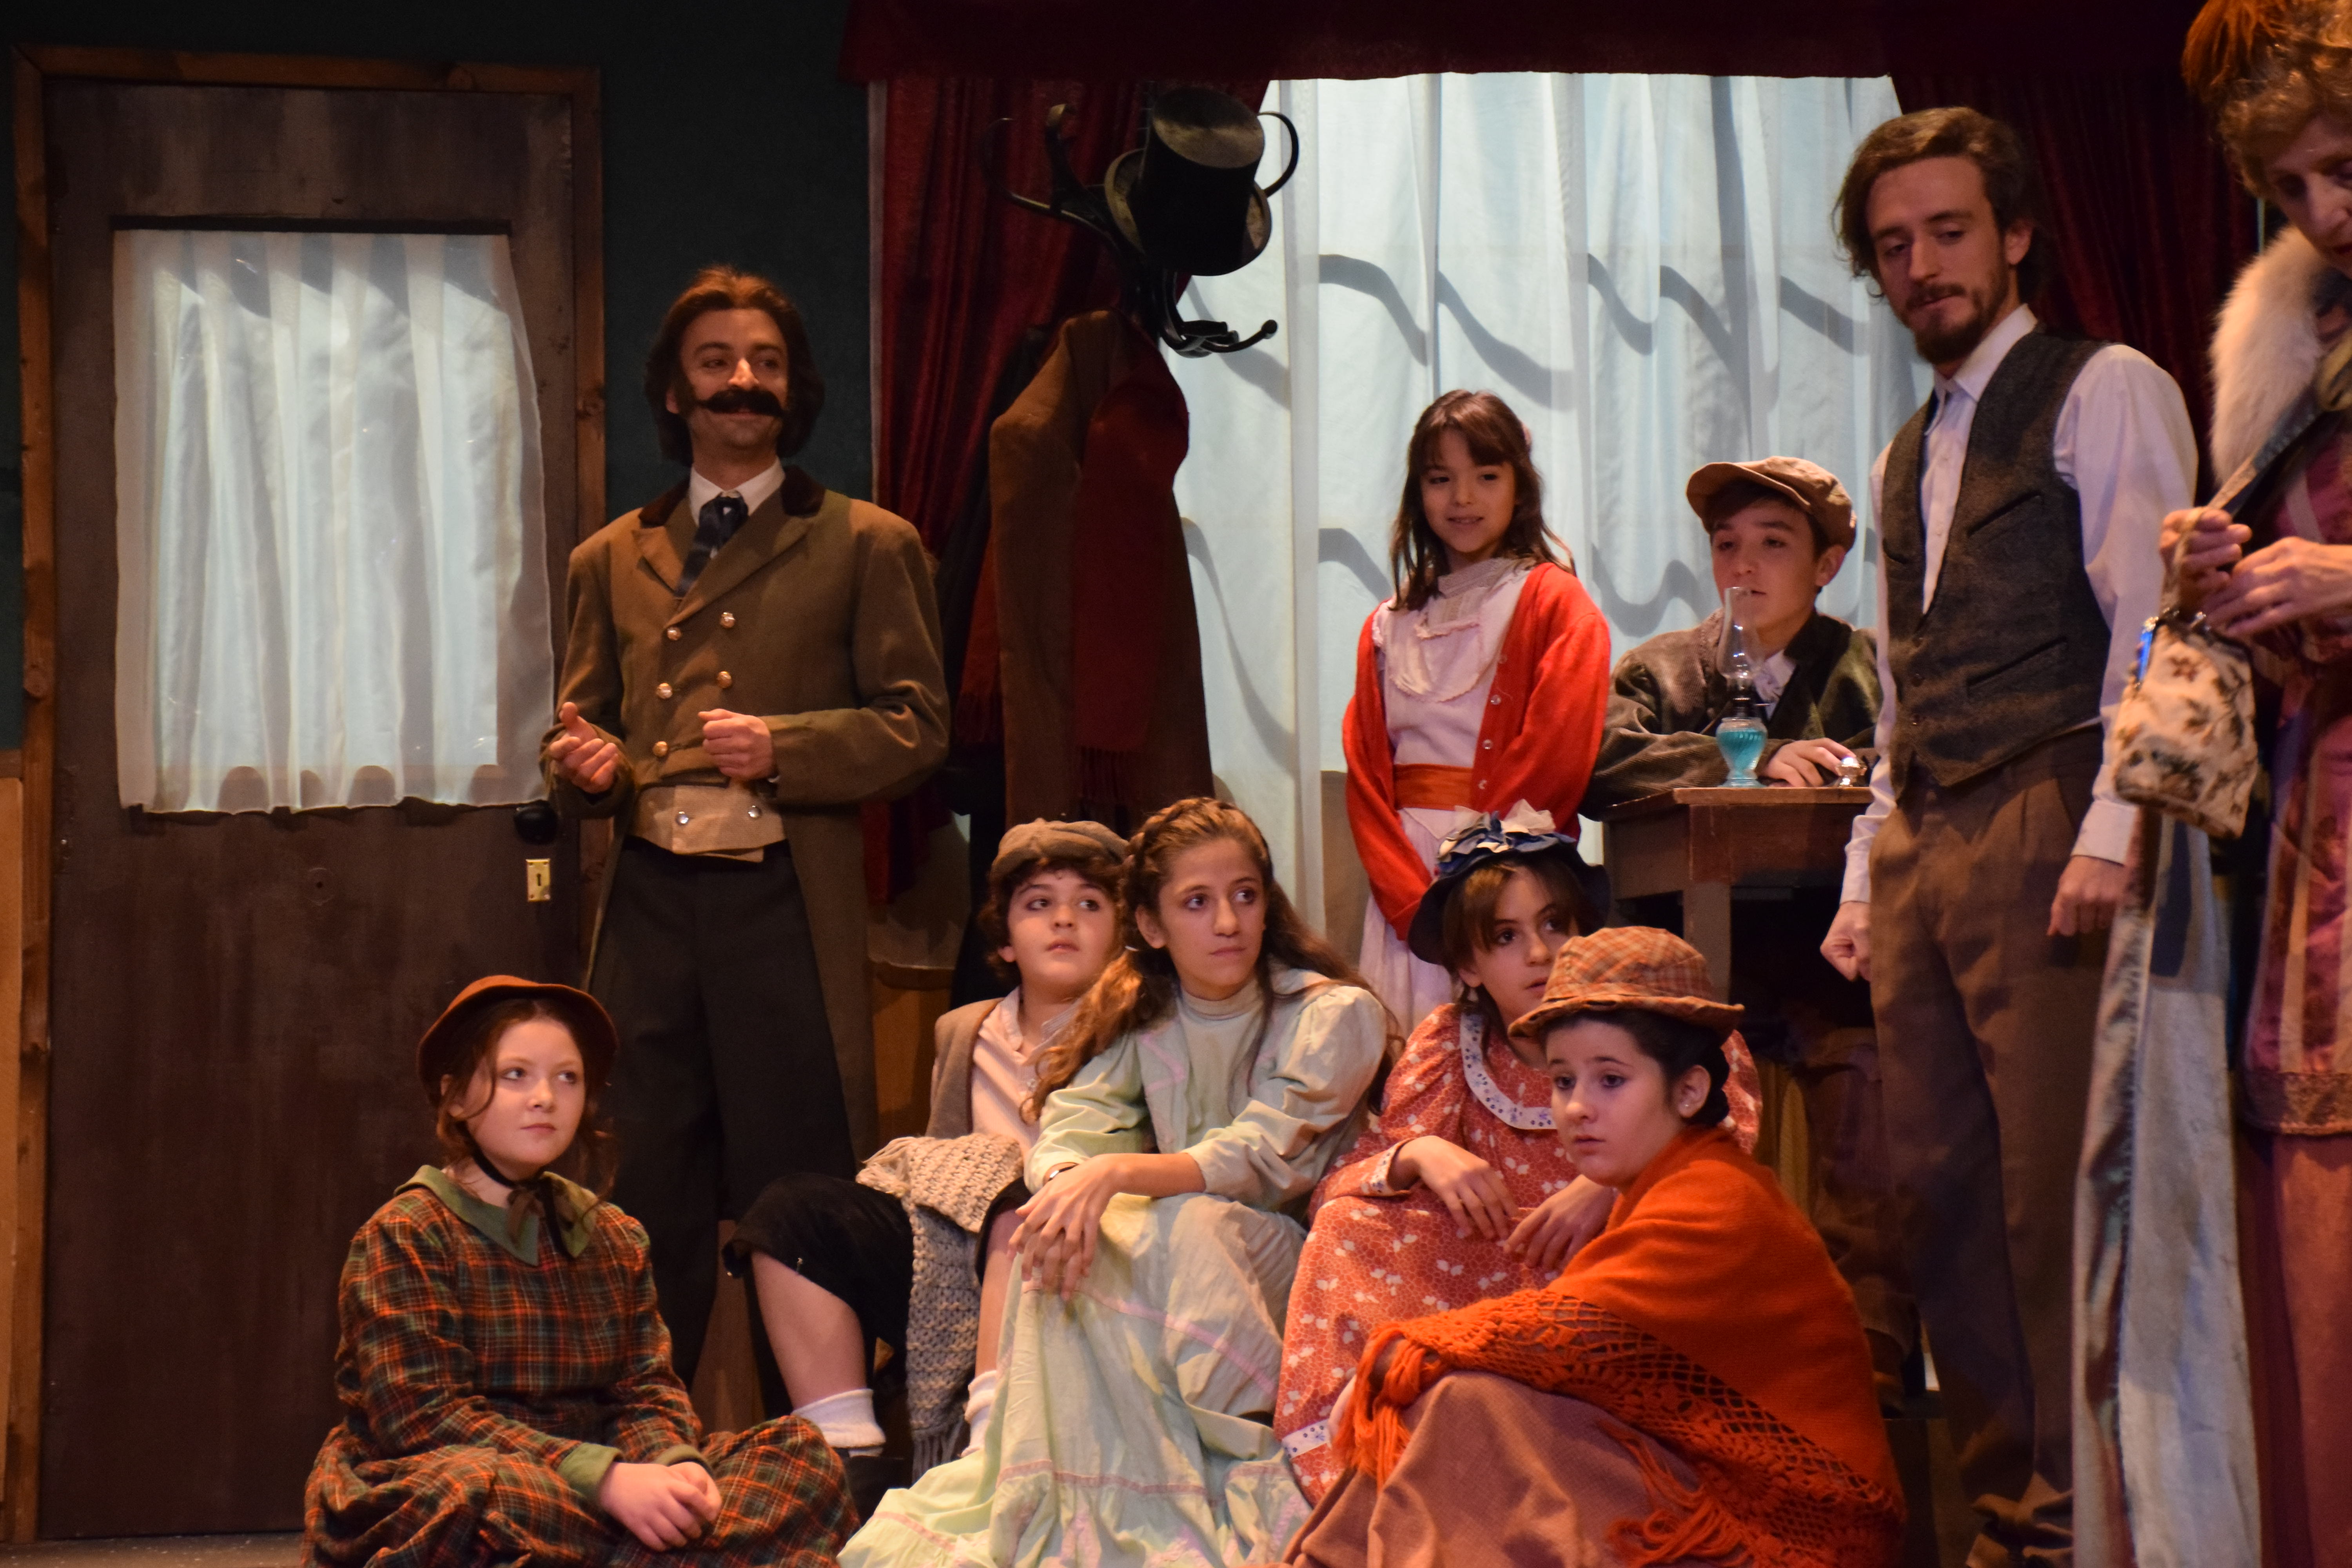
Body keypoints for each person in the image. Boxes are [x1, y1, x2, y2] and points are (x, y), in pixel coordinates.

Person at [1818, 109, 2195, 1563]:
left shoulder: (2105, 387)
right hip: (1930, 831)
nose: (1923, 266)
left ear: (2018, 233)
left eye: (1950, 231)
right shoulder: (1909, 446)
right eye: (1894, 246)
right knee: (1942, 1195)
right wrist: (1870, 869)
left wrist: (2113, 826)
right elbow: (1904, 683)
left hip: (2051, 807)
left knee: (2053, 1192)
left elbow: (2158, 624)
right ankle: (2009, 1516)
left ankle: (2090, 1515)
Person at [544, 267, 950, 1382]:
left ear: (794, 389)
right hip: (650, 911)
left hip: (782, 907)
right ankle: (642, 1436)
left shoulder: (867, 543)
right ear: (676, 391)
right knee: (638, 1187)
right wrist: (587, 767)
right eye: (717, 361)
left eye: (767, 364)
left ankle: (817, 1451)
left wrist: (787, 747)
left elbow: (919, 726)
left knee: (797, 1193)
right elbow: (583, 728)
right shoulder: (607, 558)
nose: (744, 381)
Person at [841, 798, 1390, 1567]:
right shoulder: (1148, 1019)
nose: (1227, 921)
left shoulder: (1330, 1012)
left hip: (1302, 1253)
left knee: (1187, 1224)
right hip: (1185, 1238)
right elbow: (1073, 1124)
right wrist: (1069, 1185)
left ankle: (1204, 1490)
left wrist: (1118, 1170)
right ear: (1154, 927)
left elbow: (1264, 1158)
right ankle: (1075, 1491)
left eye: (1244, 894)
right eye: (1197, 902)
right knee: (1064, 1224)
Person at [1287, 929, 1902, 1568]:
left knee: (1468, 1407)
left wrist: (1398, 1358)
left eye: (1611, 1079)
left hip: (1797, 1526)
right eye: (1562, 1080)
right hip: (1713, 1480)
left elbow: (1563, 1329)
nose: (1577, 1107)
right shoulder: (1665, 1180)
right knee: (1471, 1407)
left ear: (1689, 1091)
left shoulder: (1718, 1198)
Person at [1275, 806, 1763, 1501]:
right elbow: (1339, 1187)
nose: (1539, 953)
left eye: (1555, 925)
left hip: (1618, 1261)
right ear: (1468, 966)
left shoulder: (1641, 1020)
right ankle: (1370, 1472)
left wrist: (1612, 1188)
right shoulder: (1453, 1043)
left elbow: (1725, 1138)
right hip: (1499, 1262)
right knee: (1348, 1226)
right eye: (1506, 937)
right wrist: (1421, 1152)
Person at [302, 978, 853, 1568]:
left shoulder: (612, 1234)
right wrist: (604, 1481)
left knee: (802, 1457)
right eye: (516, 1075)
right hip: (470, 1474)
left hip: (596, 1487)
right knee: (471, 1496)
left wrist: (673, 1467)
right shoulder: (407, 1233)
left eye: (568, 1078)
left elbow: (645, 1391)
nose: (545, 1097)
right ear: (455, 1096)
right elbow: (423, 1419)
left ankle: (640, 1545)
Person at [1583, 457, 1915, 1405]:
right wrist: (1755, 757)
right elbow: (1601, 761)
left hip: (1824, 956)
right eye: (1727, 544)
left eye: (1774, 543)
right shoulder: (1659, 669)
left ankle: (1866, 1348)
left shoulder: (1867, 669)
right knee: (1670, 1083)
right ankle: (1683, 1337)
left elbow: (1903, 763)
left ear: (1828, 563)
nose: (1745, 563)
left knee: (1870, 1080)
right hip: (1690, 960)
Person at [2166, 8, 2352, 1559]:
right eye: (2290, 189)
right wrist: (2224, 577)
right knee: (2314, 1222)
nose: (2323, 214)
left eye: (2343, 170)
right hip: (2324, 811)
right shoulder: (2296, 336)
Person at [723, 820, 1126, 1508]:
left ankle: (990, 1444)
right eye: (1039, 904)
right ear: (1006, 939)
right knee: (793, 1212)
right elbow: (946, 1160)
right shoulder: (965, 1030)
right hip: (960, 1262)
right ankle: (846, 1461)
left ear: (1121, 937)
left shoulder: (1139, 1030)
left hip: (1072, 1251)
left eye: (1089, 904)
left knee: (1016, 1192)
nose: (1064, 919)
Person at [1343, 389, 1613, 1031]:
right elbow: (1367, 777)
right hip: (1408, 880)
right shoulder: (1389, 623)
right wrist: (1411, 901)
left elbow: (1556, 751)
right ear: (1418, 492)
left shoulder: (1553, 602)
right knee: (1413, 1048)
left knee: (1510, 1044)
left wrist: (1480, 881)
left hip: (1510, 885)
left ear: (1520, 487)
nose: (1462, 498)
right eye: (1441, 479)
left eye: (1486, 476)